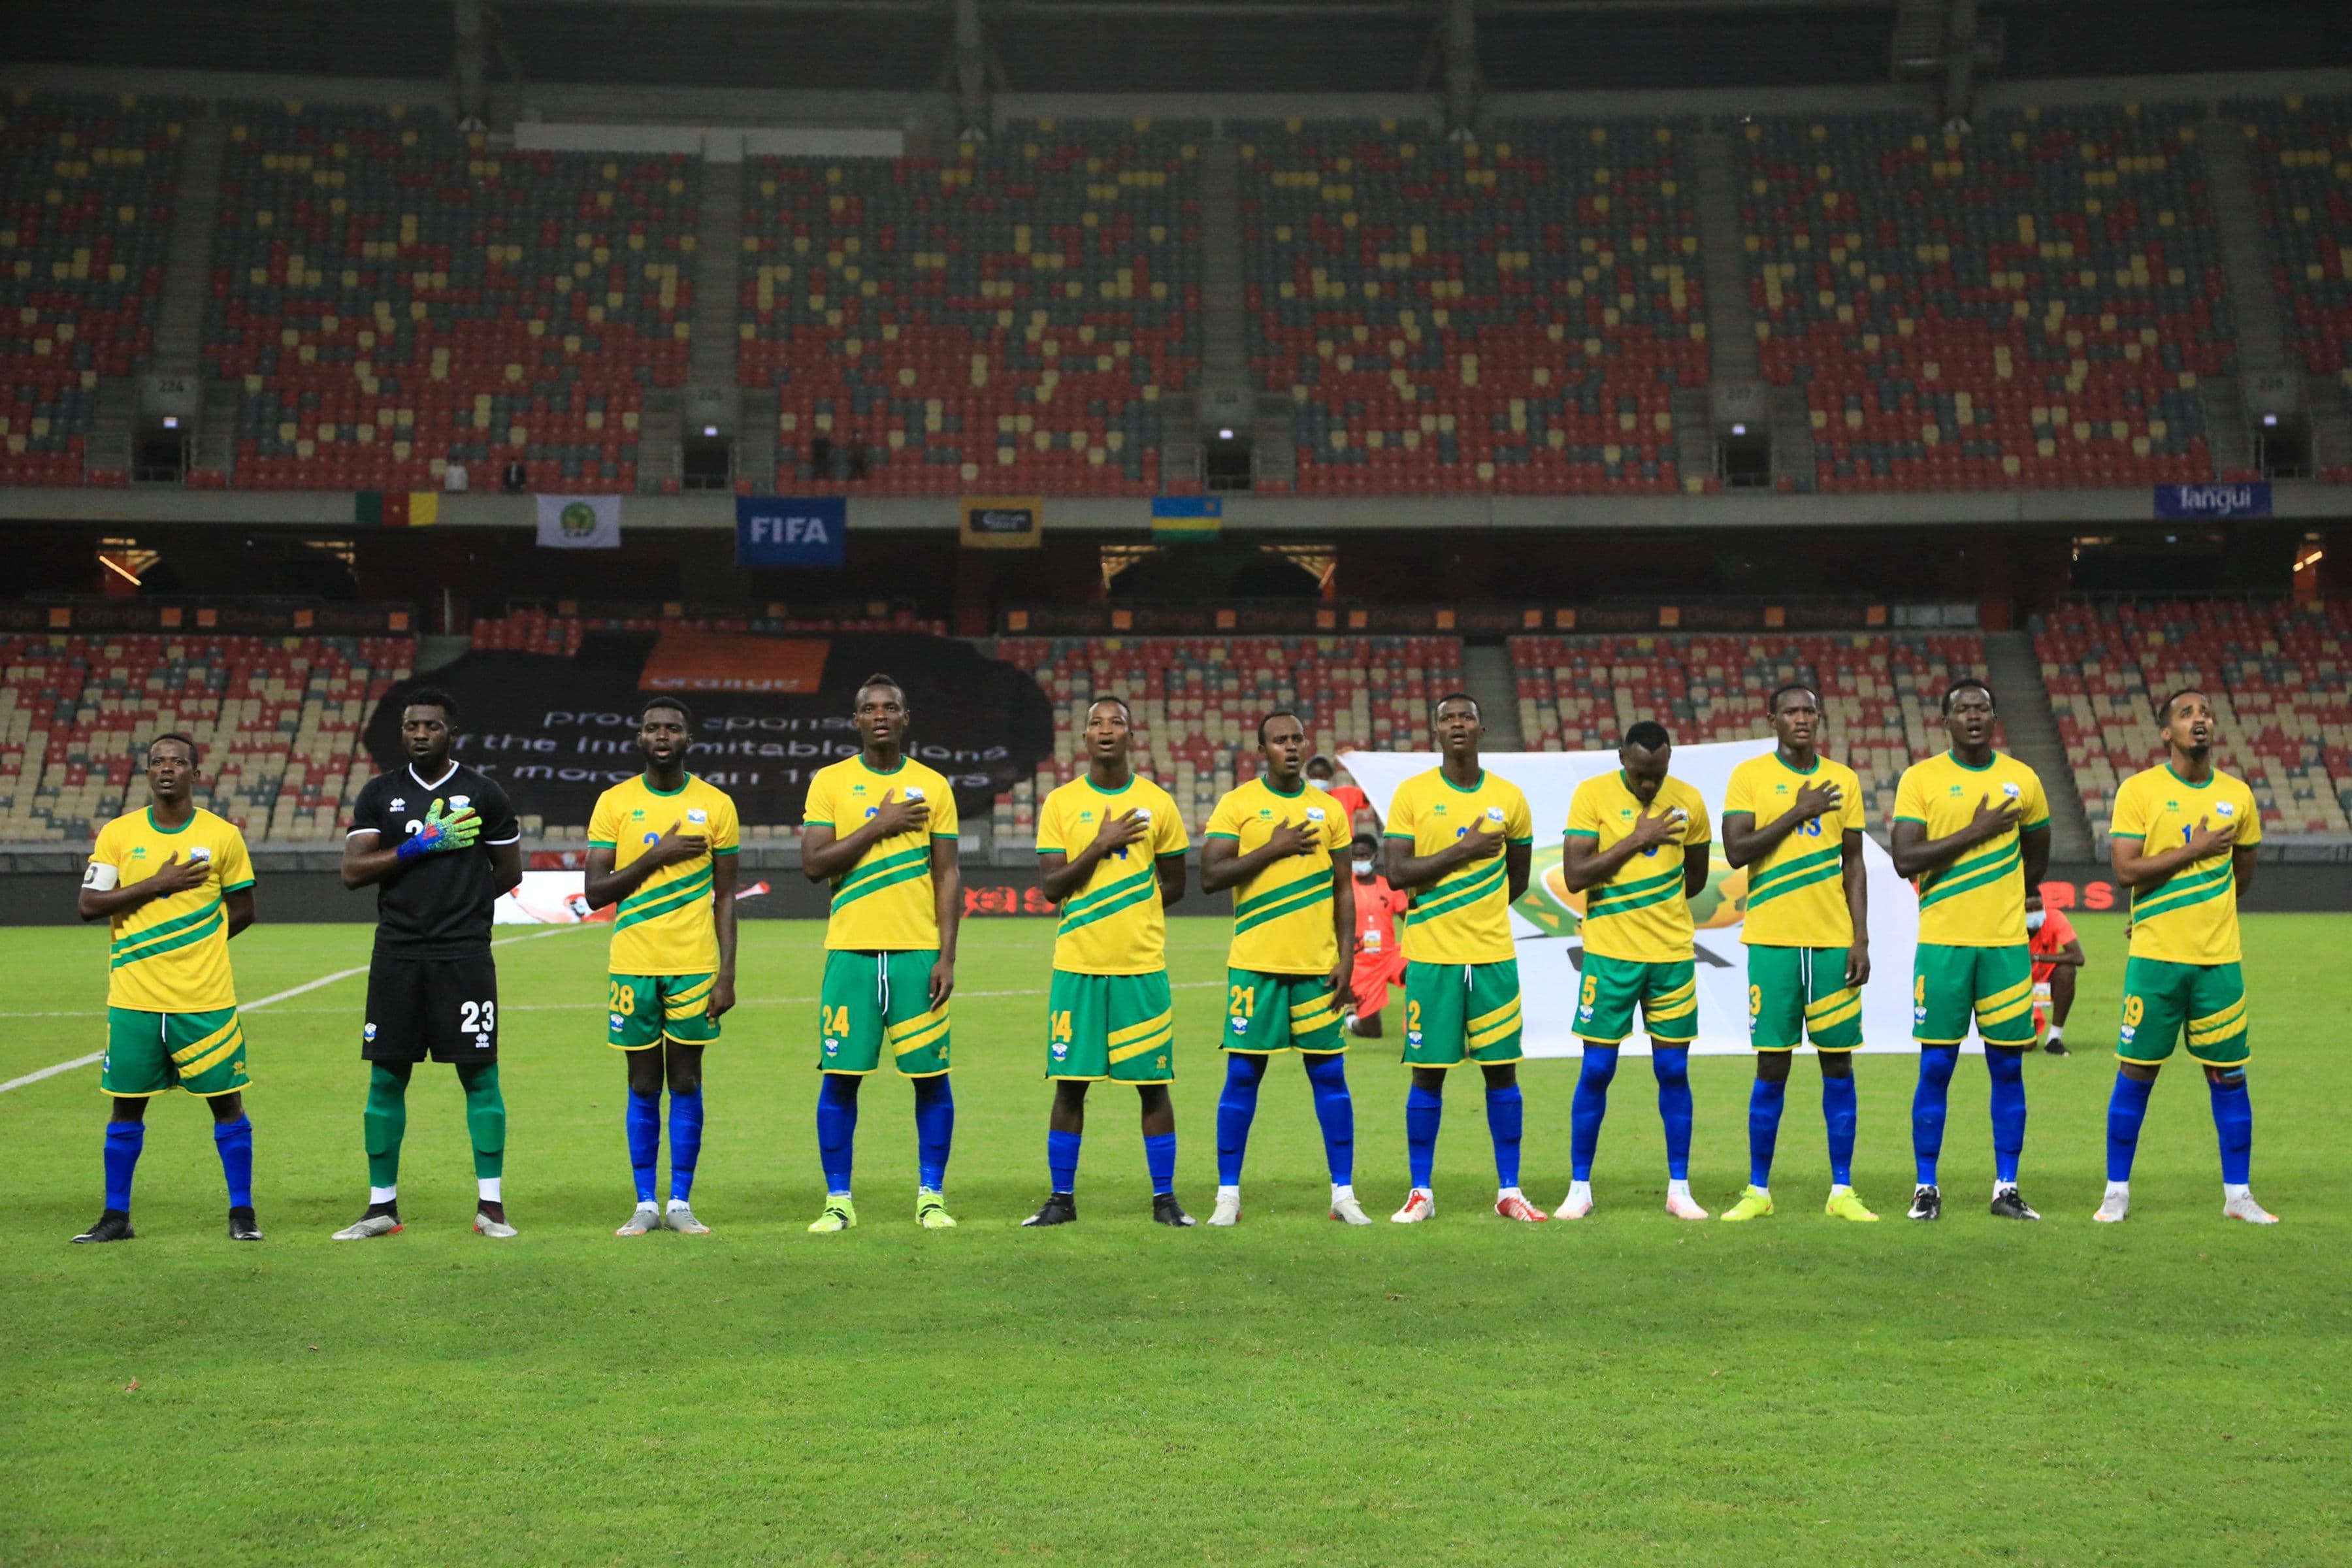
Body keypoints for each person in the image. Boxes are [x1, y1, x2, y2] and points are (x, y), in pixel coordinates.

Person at [333, 688, 525, 1241]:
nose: (420, 733)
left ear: (451, 731)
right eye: (412, 725)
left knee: (480, 1076)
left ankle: (491, 1208)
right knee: (387, 1078)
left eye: (431, 726)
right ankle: (380, 1208)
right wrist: (422, 847)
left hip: (464, 956)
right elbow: (353, 871)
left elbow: (508, 873)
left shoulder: (483, 794)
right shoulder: (380, 794)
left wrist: (460, 903)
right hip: (397, 953)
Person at [72, 734, 260, 1243]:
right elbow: (90, 904)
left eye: (178, 761)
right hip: (133, 999)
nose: (167, 769)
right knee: (126, 1105)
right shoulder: (118, 834)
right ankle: (116, 1217)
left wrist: (201, 949)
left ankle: (242, 1215)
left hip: (205, 999)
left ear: (196, 772)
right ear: (148, 772)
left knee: (227, 1104)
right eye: (158, 762)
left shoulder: (223, 836)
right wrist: (158, 883)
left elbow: (243, 909)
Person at [2098, 689, 2274, 1224]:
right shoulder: (2140, 790)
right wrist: (2194, 851)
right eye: (2186, 714)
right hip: (2155, 960)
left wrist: (2200, 901)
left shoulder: (2238, 795)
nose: (2199, 720)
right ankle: (2116, 1192)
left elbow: (2241, 876)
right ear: (2166, 733)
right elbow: (2126, 870)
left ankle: (2238, 1195)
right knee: (2137, 1071)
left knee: (2229, 1075)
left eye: (2204, 712)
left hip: (2219, 961)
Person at [797, 674, 963, 1232]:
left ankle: (931, 1195)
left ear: (906, 717)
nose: (881, 715)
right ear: (857, 721)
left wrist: (948, 956)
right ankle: (838, 1199)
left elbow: (947, 873)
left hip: (918, 954)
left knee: (931, 1077)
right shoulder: (830, 783)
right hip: (851, 952)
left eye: (891, 707)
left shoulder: (934, 786)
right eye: (870, 709)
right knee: (841, 1077)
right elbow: (815, 864)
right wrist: (881, 823)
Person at [1022, 696, 1195, 1227]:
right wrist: (1101, 844)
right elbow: (1051, 887)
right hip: (1077, 966)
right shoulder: (1061, 803)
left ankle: (1164, 1199)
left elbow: (1176, 885)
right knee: (1070, 1085)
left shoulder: (1158, 803)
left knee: (1153, 1086)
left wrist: (1133, 909)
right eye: (1095, 723)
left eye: (1115, 722)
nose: (1105, 730)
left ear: (1130, 736)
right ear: (1084, 738)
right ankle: (1061, 1200)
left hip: (1141, 968)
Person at [1889, 679, 2051, 1222]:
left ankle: (2006, 1186)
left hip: (2004, 948)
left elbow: (2039, 857)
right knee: (1936, 1066)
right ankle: (1926, 1186)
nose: (1974, 716)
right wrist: (1978, 831)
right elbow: (1905, 859)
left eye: (1983, 707)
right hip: (1943, 947)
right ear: (1946, 720)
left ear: (1995, 715)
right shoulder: (1921, 779)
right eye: (1963, 709)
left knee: (2008, 1069)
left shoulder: (2023, 779)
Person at [1718, 686, 1877, 1224]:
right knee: (1772, 1065)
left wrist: (1861, 938)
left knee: (1839, 1064)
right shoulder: (1750, 777)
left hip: (1833, 944)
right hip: (1771, 941)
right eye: (1791, 711)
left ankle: (1842, 1190)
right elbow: (1738, 851)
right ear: (1773, 721)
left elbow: (1854, 864)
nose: (1802, 719)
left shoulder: (1845, 779)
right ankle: (1758, 1190)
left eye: (1810, 710)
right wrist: (1798, 810)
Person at [583, 698, 740, 1237]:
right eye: (652, 727)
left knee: (689, 1079)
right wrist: (658, 854)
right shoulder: (615, 803)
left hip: (694, 965)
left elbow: (725, 898)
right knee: (643, 1081)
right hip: (633, 963)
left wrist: (727, 974)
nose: (662, 735)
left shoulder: (717, 804)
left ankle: (680, 1202)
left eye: (672, 728)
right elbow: (595, 891)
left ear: (688, 739)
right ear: (640, 737)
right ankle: (645, 1203)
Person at [1382, 694, 1540, 1224]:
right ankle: (1421, 1192)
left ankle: (1509, 1190)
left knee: (1502, 1074)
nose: (1457, 724)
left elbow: (1517, 878)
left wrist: (1480, 908)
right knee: (1428, 1075)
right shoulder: (1412, 794)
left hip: (1493, 955)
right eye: (1448, 717)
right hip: (1431, 957)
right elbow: (1397, 874)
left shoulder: (1509, 797)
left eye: (1466, 717)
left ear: (1481, 727)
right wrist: (1463, 851)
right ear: (1436, 729)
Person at [1198, 711, 1361, 1226]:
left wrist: (1348, 957)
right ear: (1262, 749)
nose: (1290, 747)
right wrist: (1273, 848)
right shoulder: (1238, 804)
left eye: (1297, 739)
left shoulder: (1329, 808)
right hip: (1255, 966)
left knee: (1330, 1077)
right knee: (1243, 1076)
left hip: (1317, 969)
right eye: (1279, 740)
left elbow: (1342, 888)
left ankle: (1343, 1194)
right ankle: (1228, 1195)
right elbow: (1210, 876)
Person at [1558, 721, 1713, 1220]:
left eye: (1658, 773)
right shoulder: (1591, 796)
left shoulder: (1689, 799)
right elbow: (1576, 876)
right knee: (1597, 1069)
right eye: (1641, 774)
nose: (1650, 784)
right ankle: (1579, 1186)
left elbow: (1697, 878)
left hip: (1670, 955)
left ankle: (1679, 1187)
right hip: (1609, 955)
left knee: (1673, 1070)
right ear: (1622, 756)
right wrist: (1636, 838)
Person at [1342, 831, 1409, 1039]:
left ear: (1375, 857)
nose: (1359, 861)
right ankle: (1352, 1020)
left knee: (1420, 971)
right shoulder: (1344, 888)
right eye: (1355, 856)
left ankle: (1415, 1028)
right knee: (1372, 1032)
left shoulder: (1389, 886)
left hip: (1390, 955)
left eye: (1363, 856)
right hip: (1361, 964)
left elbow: (1410, 920)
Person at [2025, 891, 2083, 1055]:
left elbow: (2078, 957)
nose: (2035, 914)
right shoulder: (2008, 925)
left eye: (2039, 908)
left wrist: (2036, 957)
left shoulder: (2054, 918)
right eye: (2029, 910)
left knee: (2067, 971)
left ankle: (2054, 1039)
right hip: (2018, 987)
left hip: (2044, 984)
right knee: (2027, 1046)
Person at [1307, 754, 1379, 837]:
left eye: (1322, 776)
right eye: (1314, 776)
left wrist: (1356, 761)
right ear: (1308, 776)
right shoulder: (1301, 798)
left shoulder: (1346, 794)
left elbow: (1371, 794)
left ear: (1330, 776)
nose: (1318, 780)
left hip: (1344, 846)